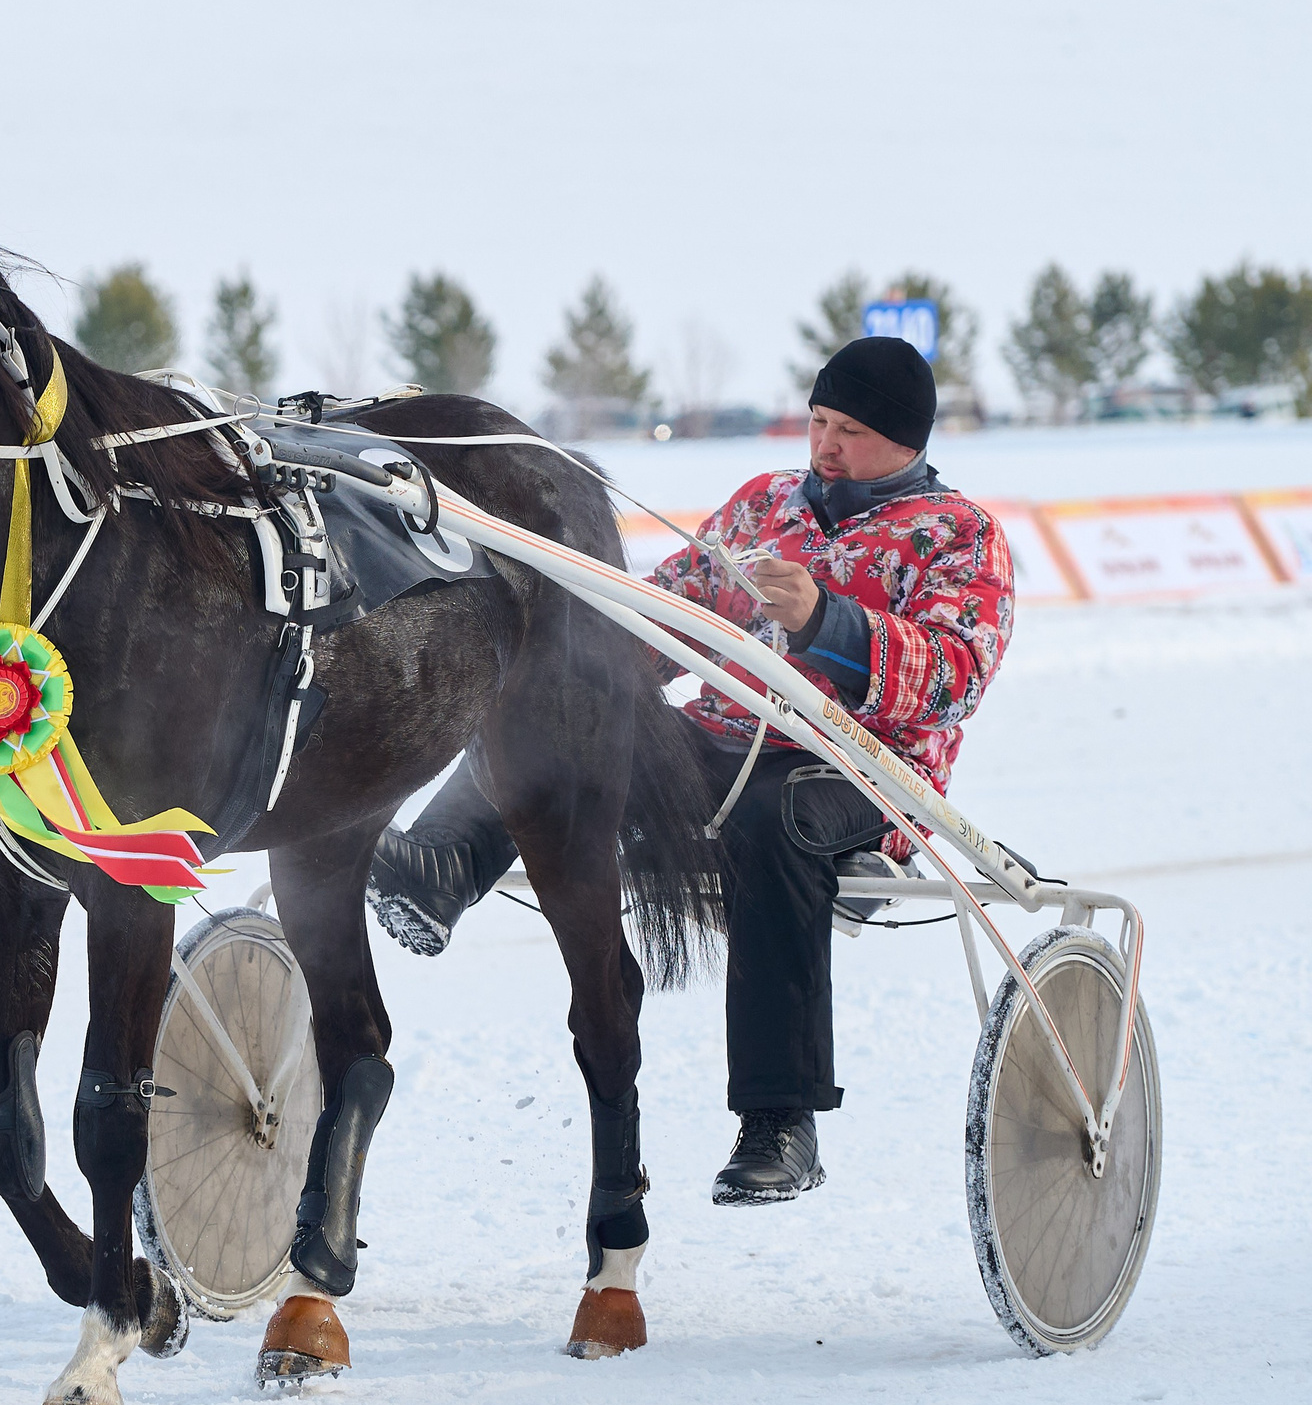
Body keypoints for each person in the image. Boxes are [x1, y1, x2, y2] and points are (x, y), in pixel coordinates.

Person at [366, 335, 1014, 1204]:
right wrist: (585, 666)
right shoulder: (763, 505)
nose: (824, 445)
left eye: (849, 430)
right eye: (819, 421)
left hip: (860, 771)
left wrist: (826, 619)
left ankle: (779, 1123)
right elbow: (669, 614)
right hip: (716, 741)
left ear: (908, 441)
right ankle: (442, 865)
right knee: (561, 720)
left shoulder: (958, 537)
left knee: (767, 819)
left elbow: (949, 677)